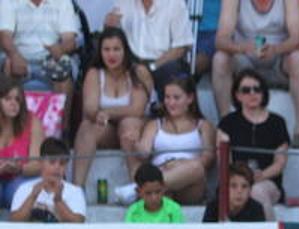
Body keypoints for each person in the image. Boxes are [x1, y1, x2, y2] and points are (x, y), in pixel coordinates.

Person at [210, 0, 299, 147]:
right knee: (220, 59)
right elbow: (221, 40)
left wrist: (276, 49)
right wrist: (243, 49)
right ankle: (226, 126)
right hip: (245, 60)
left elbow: (298, 39)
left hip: (278, 59)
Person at [71, 27, 147, 186]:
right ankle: (77, 188)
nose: (111, 55)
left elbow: (137, 109)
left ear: (125, 50)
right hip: (108, 132)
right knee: (87, 126)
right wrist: (97, 115)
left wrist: (107, 112)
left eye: (116, 49)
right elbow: (90, 108)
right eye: (106, 49)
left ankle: (137, 185)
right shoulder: (94, 73)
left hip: (137, 131)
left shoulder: (138, 71)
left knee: (129, 123)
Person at [124, 73, 214, 204]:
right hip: (161, 173)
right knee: (164, 194)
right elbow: (144, 152)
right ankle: (152, 189)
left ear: (190, 98)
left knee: (197, 168)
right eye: (167, 97)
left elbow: (208, 159)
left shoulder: (203, 125)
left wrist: (180, 165)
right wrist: (135, 143)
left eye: (176, 98)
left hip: (190, 184)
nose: (171, 102)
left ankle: (139, 189)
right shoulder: (155, 124)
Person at [215, 67, 288, 219]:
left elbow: (280, 163)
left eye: (257, 89)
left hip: (268, 181)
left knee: (257, 191)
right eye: (246, 90)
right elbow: (223, 162)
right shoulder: (227, 123)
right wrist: (243, 178)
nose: (253, 94)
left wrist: (260, 176)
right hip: (235, 180)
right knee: (236, 191)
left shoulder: (277, 122)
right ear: (237, 95)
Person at [104, 0, 192, 98]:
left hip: (161, 62)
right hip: (131, 60)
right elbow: (112, 38)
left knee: (172, 68)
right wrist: (108, 27)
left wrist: (151, 67)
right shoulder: (123, 2)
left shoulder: (175, 3)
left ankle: (160, 107)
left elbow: (181, 47)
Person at [0, 0, 79, 96]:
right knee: (8, 63)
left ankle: (61, 111)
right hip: (19, 56)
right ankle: (10, 109)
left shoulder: (63, 2)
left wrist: (60, 49)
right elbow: (4, 36)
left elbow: (70, 40)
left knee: (64, 67)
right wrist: (14, 55)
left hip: (50, 59)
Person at [9, 136, 84, 221]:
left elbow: (79, 222)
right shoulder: (24, 189)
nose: (57, 167)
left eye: (62, 163)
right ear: (41, 162)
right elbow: (14, 221)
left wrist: (58, 200)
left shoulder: (75, 191)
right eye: (52, 162)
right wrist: (32, 196)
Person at [0, 74, 44, 209]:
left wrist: (19, 168)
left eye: (17, 100)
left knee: (20, 193)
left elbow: (38, 164)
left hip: (19, 179)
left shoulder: (32, 121)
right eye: (8, 99)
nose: (14, 103)